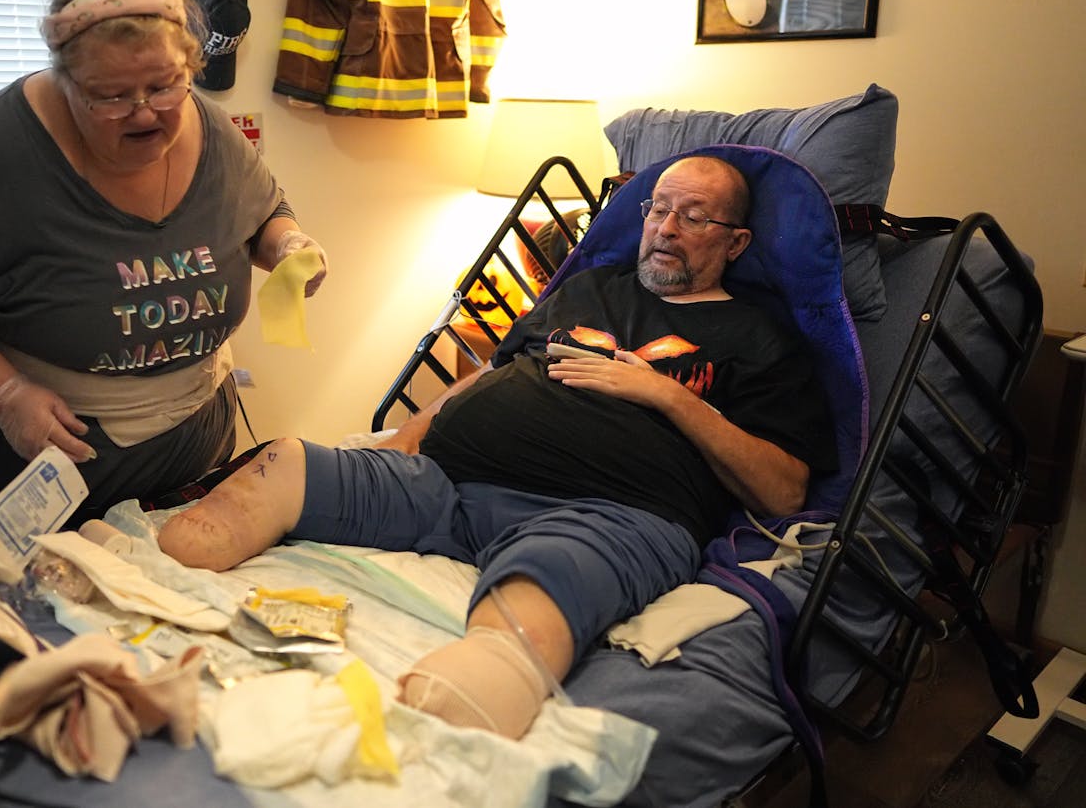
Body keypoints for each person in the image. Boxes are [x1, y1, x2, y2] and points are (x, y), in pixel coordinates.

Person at [157, 155, 836, 740]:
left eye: (694, 217)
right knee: (282, 465)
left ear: (737, 241)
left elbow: (783, 491)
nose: (665, 228)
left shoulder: (759, 339)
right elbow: (492, 372)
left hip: (607, 514)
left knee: (511, 628)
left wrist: (664, 394)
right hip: (450, 484)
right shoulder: (589, 288)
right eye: (659, 210)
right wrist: (403, 440)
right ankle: (142, 603)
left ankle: (396, 761)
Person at [0, 0, 327, 525]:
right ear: (65, 81)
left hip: (194, 442)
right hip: (46, 461)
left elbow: (261, 213)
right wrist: (7, 397)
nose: (144, 111)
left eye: (163, 86)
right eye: (111, 95)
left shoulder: (205, 122)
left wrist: (287, 244)